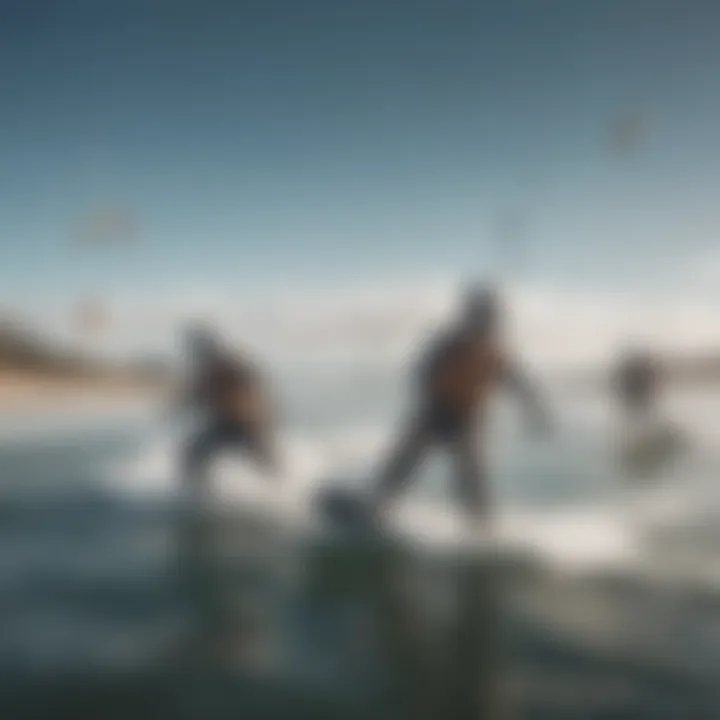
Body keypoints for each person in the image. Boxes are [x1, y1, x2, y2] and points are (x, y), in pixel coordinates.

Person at [370, 284, 550, 524]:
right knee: (405, 459)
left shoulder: (495, 352)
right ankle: (376, 505)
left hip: (467, 418)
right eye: (477, 315)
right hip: (437, 411)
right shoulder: (449, 341)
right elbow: (422, 371)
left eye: (486, 317)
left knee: (470, 475)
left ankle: (482, 526)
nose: (481, 322)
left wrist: (534, 410)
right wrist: (432, 393)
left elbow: (518, 383)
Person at [178, 323, 278, 492]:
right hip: (222, 424)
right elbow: (192, 396)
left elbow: (254, 387)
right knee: (194, 452)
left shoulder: (231, 366)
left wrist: (260, 416)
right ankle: (197, 491)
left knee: (262, 457)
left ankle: (280, 486)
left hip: (246, 423)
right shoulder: (205, 373)